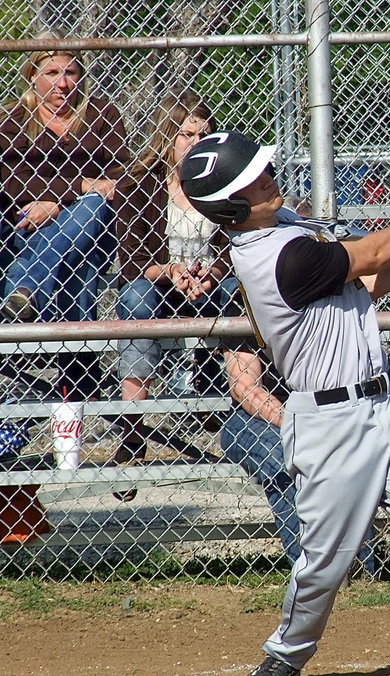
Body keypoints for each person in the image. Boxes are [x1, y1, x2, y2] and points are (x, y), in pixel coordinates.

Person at [180, 130, 390, 676]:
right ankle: (288, 649)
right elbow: (373, 252)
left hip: (389, 404)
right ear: (231, 207)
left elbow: (361, 285)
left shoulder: (289, 231)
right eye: (253, 181)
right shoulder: (274, 255)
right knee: (327, 560)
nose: (269, 177)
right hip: (330, 422)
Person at [114, 92, 239, 466]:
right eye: (186, 135)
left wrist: (213, 274)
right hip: (159, 287)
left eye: (204, 136)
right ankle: (133, 428)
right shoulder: (137, 186)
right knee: (135, 296)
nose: (195, 144)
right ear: (167, 137)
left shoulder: (225, 184)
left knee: (237, 289)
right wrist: (171, 271)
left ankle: (238, 391)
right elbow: (133, 262)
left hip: (210, 284)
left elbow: (236, 249)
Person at [0, 44, 129, 398]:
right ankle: (80, 368)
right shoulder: (11, 119)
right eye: (52, 73)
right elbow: (10, 177)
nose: (62, 84)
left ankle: (24, 293)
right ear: (32, 77)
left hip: (87, 226)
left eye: (70, 73)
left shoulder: (102, 116)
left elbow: (118, 179)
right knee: (78, 258)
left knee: (89, 211)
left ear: (81, 77)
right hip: (25, 229)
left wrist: (59, 200)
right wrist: (81, 184)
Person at [220, 342, 376, 572]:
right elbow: (246, 390)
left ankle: (362, 568)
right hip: (252, 419)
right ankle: (310, 568)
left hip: (318, 414)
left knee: (344, 454)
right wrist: (296, 424)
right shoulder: (247, 311)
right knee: (284, 459)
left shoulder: (321, 314)